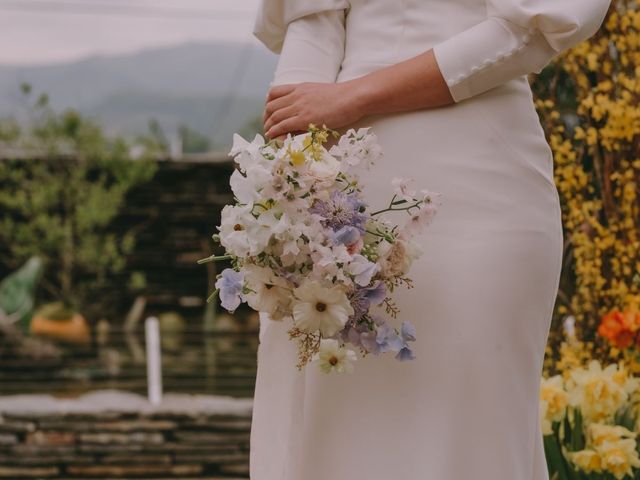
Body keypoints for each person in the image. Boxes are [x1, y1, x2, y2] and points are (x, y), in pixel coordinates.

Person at [249, 0, 610, 478]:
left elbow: (526, 33)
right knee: (333, 420)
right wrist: (289, 178)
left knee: (470, 418)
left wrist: (353, 98)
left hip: (479, 191)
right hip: (343, 183)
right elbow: (312, 24)